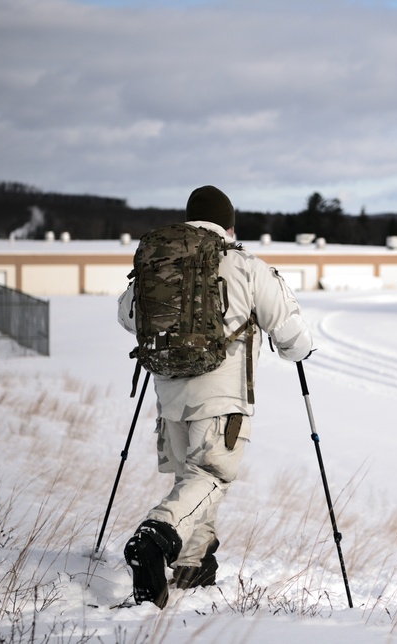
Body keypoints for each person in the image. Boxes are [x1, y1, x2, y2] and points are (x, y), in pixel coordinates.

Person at [117, 185, 314, 608]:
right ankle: (155, 537)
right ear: (229, 225)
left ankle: (194, 564)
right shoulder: (246, 265)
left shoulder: (160, 262)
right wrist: (303, 347)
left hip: (168, 394)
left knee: (191, 479)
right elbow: (293, 338)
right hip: (222, 398)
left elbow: (126, 315)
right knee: (211, 476)